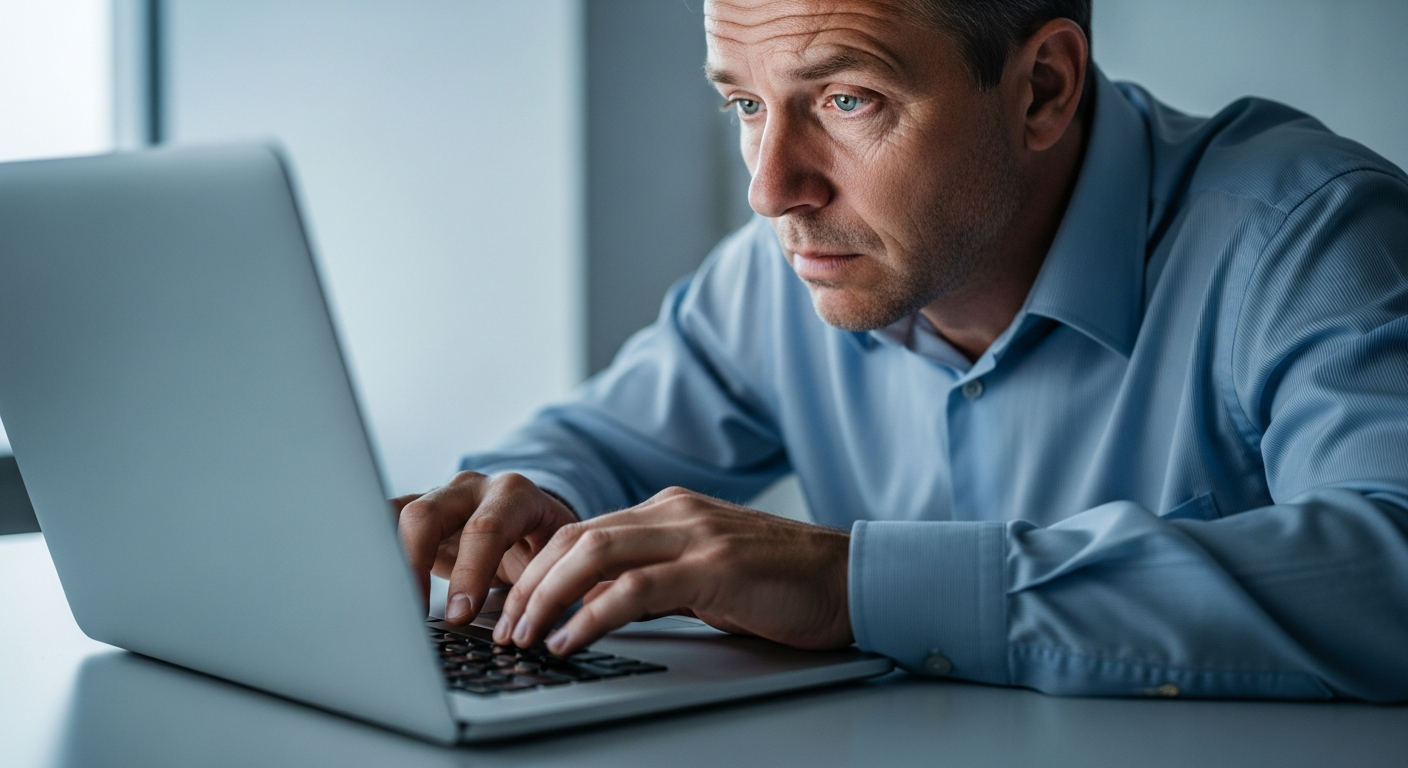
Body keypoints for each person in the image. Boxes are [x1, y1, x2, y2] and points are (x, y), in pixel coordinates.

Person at [394, 0, 1408, 700]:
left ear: (1043, 89)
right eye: (744, 103)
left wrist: (853, 587)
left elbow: (1390, 568)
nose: (769, 188)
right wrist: (516, 504)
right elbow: (593, 449)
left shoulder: (1308, 236)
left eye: (846, 99)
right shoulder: (784, 270)